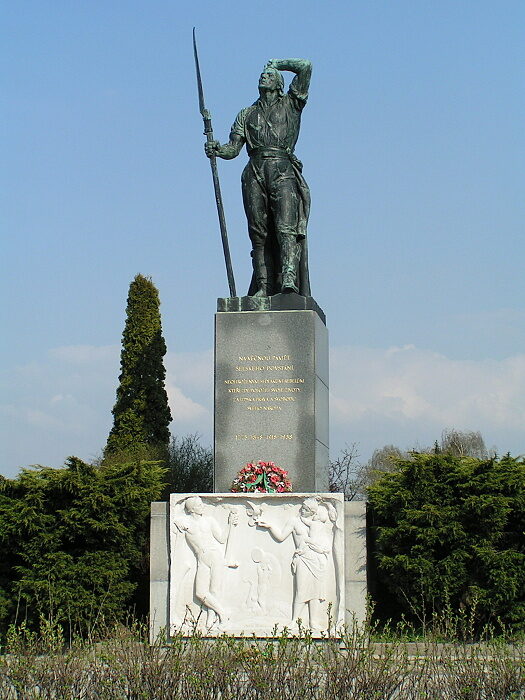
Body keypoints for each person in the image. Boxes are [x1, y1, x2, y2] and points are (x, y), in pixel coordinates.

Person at [205, 58, 312, 297]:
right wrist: (217, 149)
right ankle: (263, 286)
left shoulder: (291, 104)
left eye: (270, 74)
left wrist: (279, 63)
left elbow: (306, 67)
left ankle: (288, 280)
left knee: (285, 228)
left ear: (280, 83)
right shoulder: (246, 114)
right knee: (258, 232)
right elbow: (233, 149)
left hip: (282, 169)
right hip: (254, 171)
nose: (264, 76)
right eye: (262, 74)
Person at [257, 497, 332, 629]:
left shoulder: (319, 524)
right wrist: (270, 526)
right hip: (303, 559)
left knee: (315, 591)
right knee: (301, 589)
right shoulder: (294, 521)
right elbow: (281, 537)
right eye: (303, 508)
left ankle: (313, 622)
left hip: (316, 559)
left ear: (313, 512)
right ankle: (294, 620)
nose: (303, 511)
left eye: (307, 510)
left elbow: (325, 542)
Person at [172, 495, 237, 627]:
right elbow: (173, 518)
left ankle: (215, 618)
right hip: (201, 560)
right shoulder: (185, 522)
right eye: (199, 505)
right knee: (200, 593)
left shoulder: (209, 520)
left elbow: (222, 539)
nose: (203, 506)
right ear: (192, 509)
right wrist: (177, 521)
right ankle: (223, 614)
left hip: (214, 556)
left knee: (214, 590)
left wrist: (230, 524)